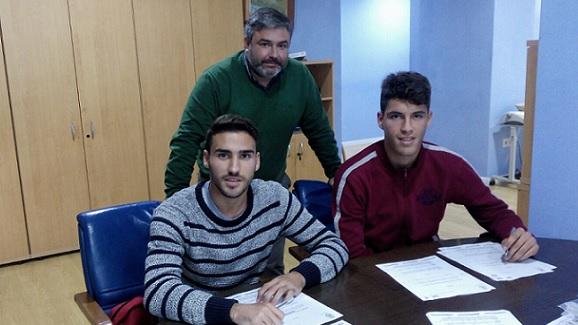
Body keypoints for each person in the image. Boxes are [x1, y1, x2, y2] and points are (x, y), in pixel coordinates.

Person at [165, 7, 341, 276]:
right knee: (216, 274)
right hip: (220, 192)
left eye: (282, 46)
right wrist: (175, 202)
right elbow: (187, 140)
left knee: (269, 271)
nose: (274, 54)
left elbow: (319, 132)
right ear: (247, 43)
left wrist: (337, 177)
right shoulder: (216, 80)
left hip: (269, 193)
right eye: (265, 44)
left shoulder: (300, 78)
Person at [145, 115, 348, 325]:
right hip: (196, 318)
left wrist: (298, 276)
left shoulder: (275, 199)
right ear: (206, 159)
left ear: (257, 161)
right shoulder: (174, 212)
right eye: (223, 155)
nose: (234, 168)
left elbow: (334, 246)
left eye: (245, 156)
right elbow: (158, 291)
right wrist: (232, 311)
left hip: (253, 307)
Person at [333, 71, 539, 261]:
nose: (407, 128)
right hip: (372, 279)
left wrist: (518, 233)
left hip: (428, 271)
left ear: (429, 119)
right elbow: (352, 255)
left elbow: (495, 212)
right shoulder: (354, 176)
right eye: (396, 117)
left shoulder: (448, 165)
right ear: (381, 120)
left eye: (417, 116)